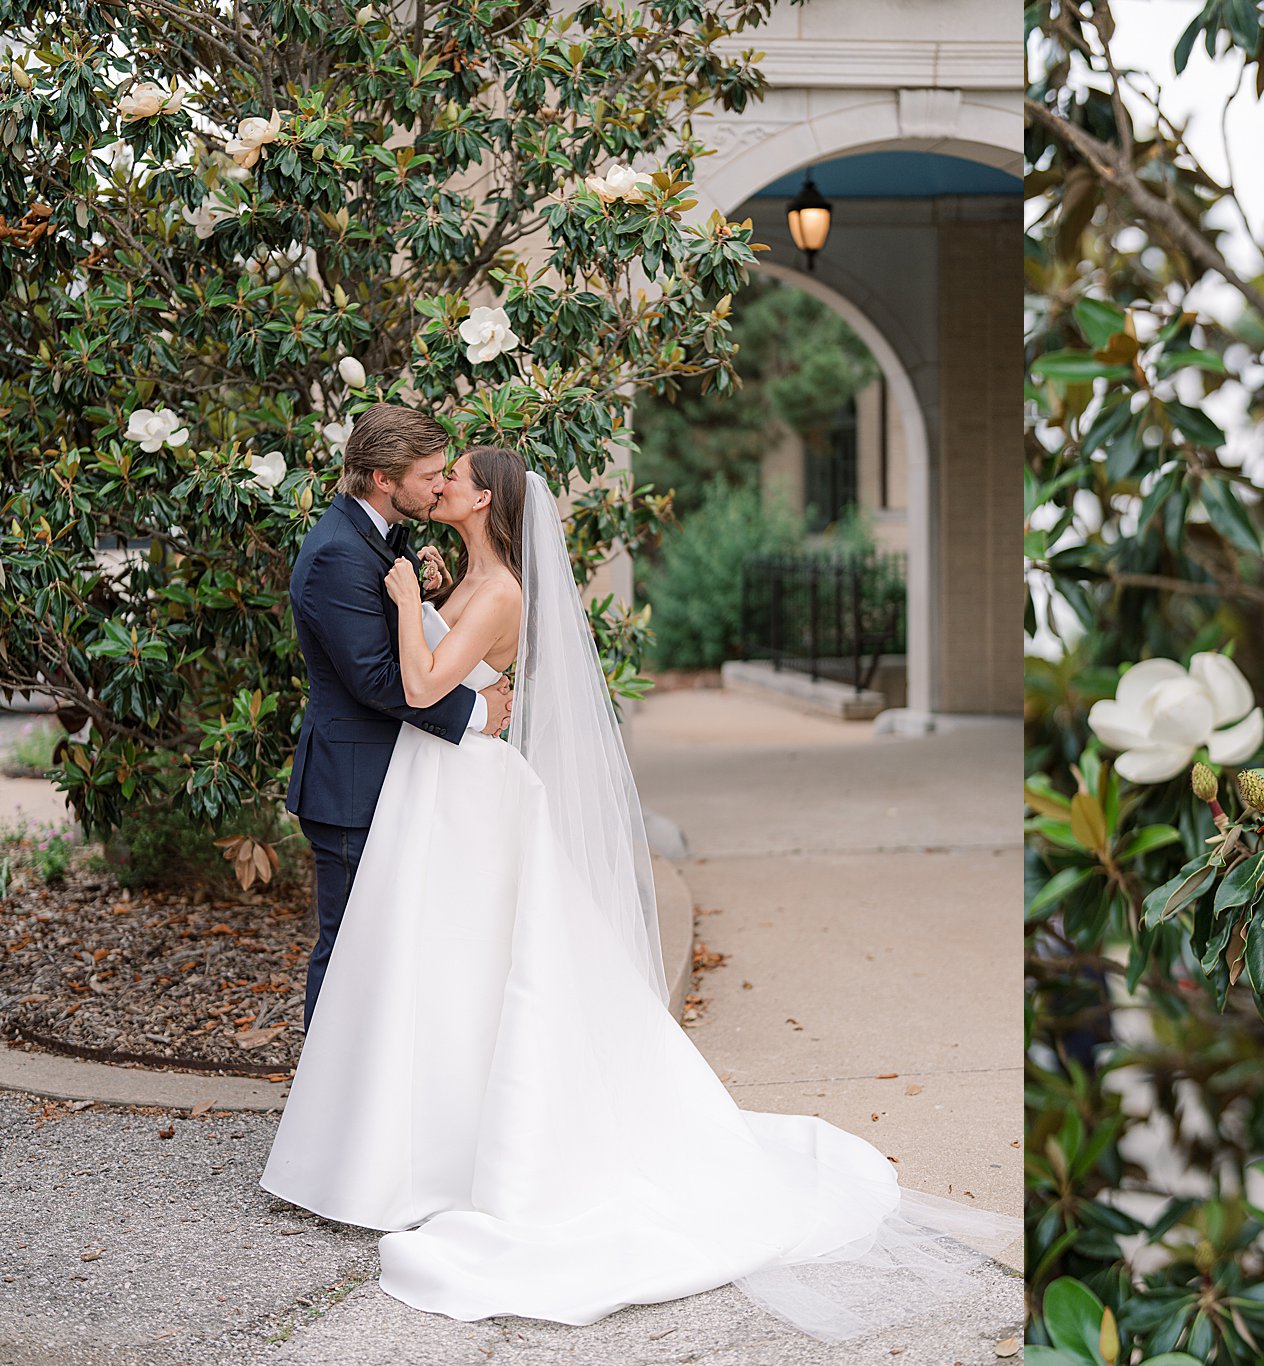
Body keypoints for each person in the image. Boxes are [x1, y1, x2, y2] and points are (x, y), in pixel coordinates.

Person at [262, 446, 1018, 1337]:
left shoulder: (498, 589)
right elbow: (450, 669)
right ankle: (427, 1143)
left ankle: (461, 1151)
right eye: (441, 472)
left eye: (460, 476)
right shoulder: (463, 575)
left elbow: (426, 682)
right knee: (449, 969)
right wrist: (423, 601)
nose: (447, 485)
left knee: (475, 967)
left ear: (487, 499)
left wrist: (404, 610)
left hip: (464, 793)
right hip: (440, 789)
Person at [284, 403, 514, 1029]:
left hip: (400, 779)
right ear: (385, 479)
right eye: (430, 473)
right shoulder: (338, 553)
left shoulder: (381, 537)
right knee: (348, 951)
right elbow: (375, 680)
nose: (441, 484)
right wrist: (477, 709)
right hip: (353, 785)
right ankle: (325, 1113)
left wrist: (429, 601)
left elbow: (389, 638)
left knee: (395, 952)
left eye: (446, 473)